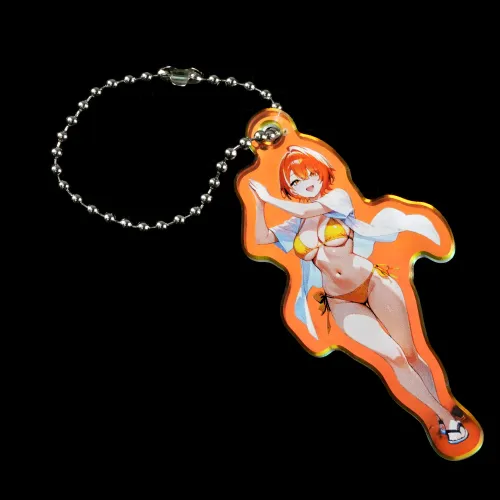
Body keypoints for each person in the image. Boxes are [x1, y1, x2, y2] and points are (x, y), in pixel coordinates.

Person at [249, 145, 467, 444]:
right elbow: (261, 238)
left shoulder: (337, 199)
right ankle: (444, 417)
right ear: (290, 188)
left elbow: (309, 209)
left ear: (322, 173)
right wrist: (258, 203)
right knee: (394, 357)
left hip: (374, 282)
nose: (305, 183)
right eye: (296, 181)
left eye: (310, 174)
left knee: (410, 353)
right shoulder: (295, 226)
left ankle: (445, 408)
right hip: (340, 301)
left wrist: (269, 198)